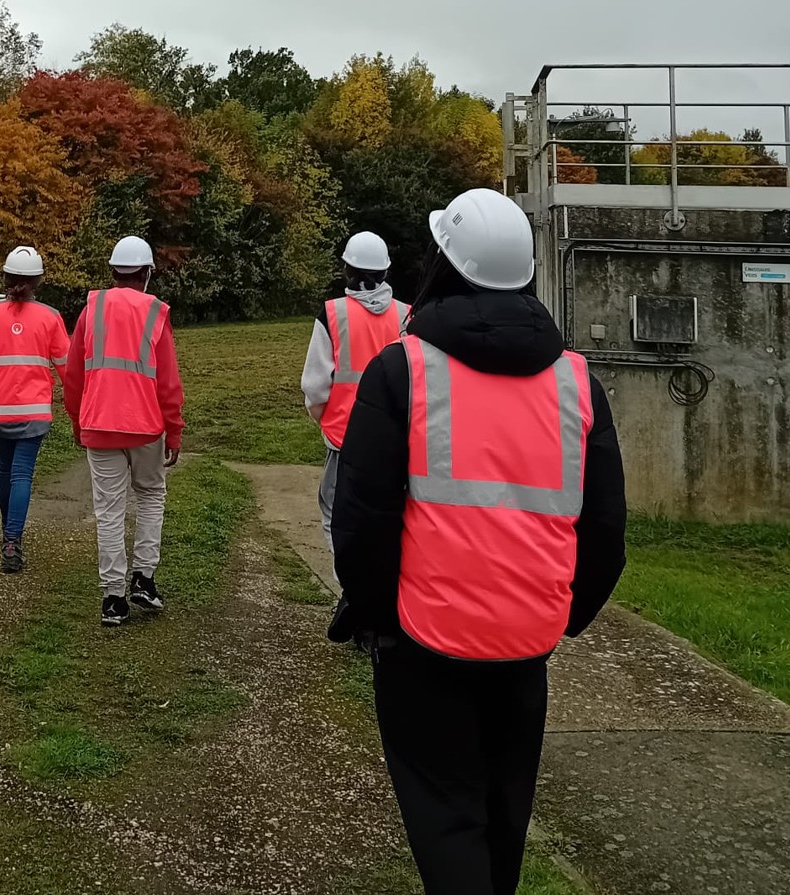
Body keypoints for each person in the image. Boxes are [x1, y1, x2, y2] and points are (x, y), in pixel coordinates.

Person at [328, 188, 627, 895]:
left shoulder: (403, 370)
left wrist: (376, 617)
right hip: (526, 643)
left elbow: (362, 519)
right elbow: (605, 532)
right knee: (503, 813)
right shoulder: (577, 382)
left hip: (424, 641)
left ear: (443, 263)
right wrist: (561, 617)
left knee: (446, 816)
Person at [64, 236, 185, 627]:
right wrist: (174, 430)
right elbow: (168, 382)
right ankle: (144, 578)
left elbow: (73, 376)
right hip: (146, 427)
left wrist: (77, 421)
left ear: (114, 271)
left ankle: (113, 598)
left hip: (99, 424)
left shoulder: (91, 310)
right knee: (150, 495)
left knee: (109, 512)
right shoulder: (155, 313)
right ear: (146, 273)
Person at [0, 246, 69, 573]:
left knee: (5, 471)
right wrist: (79, 407)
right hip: (35, 414)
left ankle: (8, 535)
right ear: (38, 280)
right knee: (22, 473)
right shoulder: (50, 317)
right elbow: (67, 367)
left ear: (6, 278)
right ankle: (12, 540)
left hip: (0, 412)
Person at [301, 231, 408, 558]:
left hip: (343, 438)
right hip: (394, 439)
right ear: (385, 270)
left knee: (335, 512)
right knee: (388, 515)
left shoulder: (332, 314)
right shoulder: (406, 315)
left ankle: (346, 582)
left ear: (347, 269)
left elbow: (314, 386)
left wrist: (325, 419)